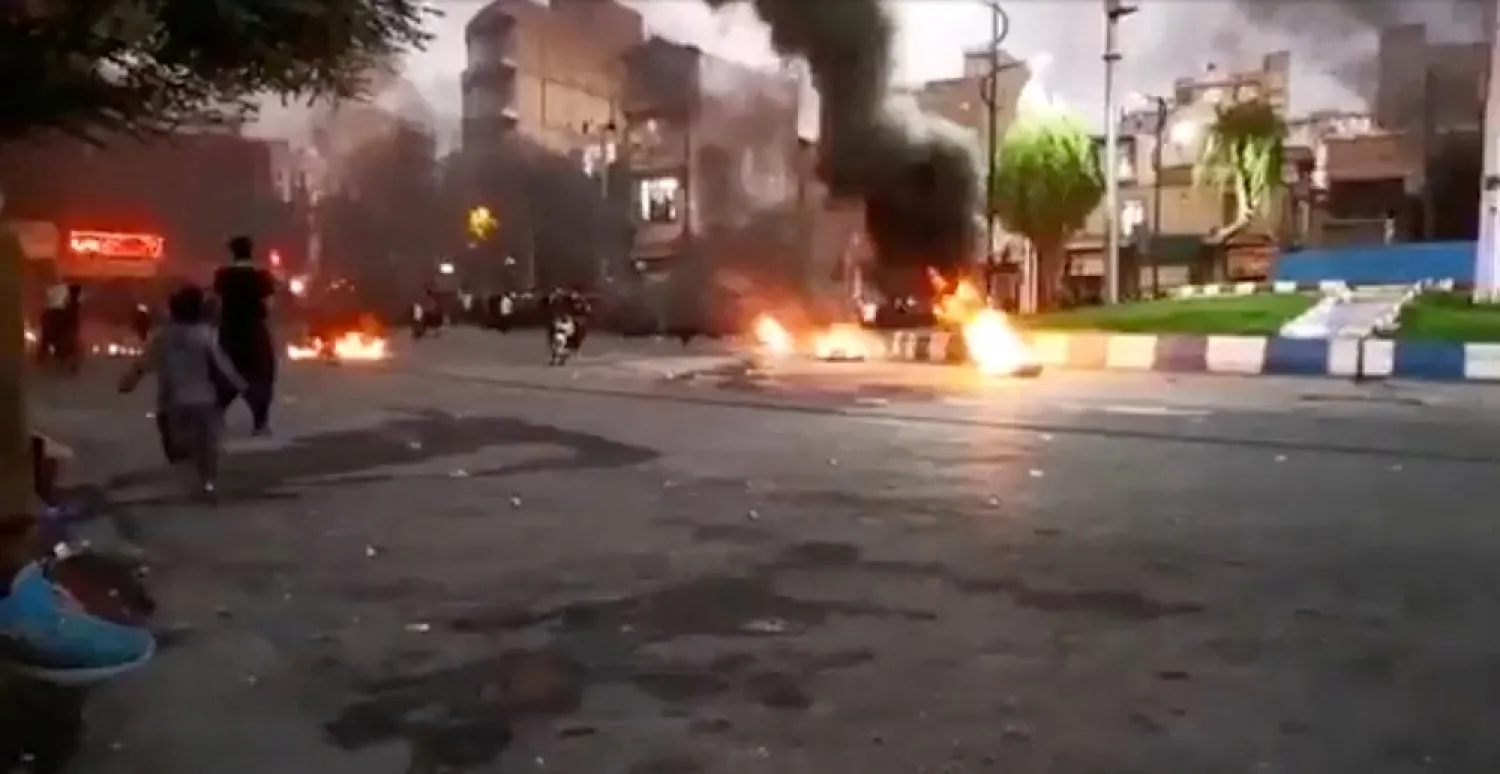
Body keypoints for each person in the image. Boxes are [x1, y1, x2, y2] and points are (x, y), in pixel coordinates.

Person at [119, 285, 246, 498]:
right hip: (204, 402)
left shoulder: (162, 338)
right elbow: (222, 366)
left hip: (172, 405)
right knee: (208, 448)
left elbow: (142, 365)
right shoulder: (205, 336)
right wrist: (242, 386)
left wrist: (127, 384)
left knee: (177, 450)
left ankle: (189, 481)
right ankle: (207, 484)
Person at [212, 235, 277, 435]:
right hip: (253, 331)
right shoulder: (261, 277)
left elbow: (217, 300)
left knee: (224, 373)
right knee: (261, 375)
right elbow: (269, 305)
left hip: (230, 330)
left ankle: (216, 419)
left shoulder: (223, 276)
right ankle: (260, 422)